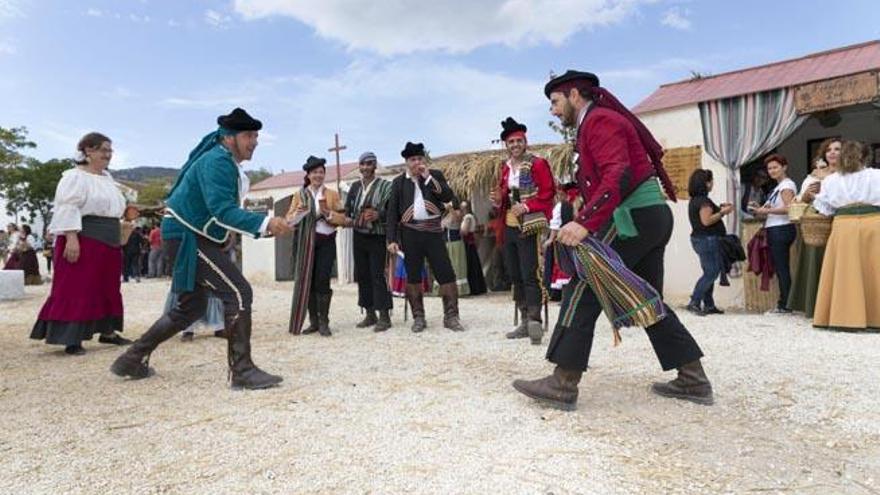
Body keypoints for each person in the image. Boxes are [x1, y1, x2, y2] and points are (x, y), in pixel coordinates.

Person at [513, 70, 713, 409]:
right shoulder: (596, 123)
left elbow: (617, 173)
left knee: (584, 283)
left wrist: (585, 224)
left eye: (555, 102)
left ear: (575, 95)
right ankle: (693, 379)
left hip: (633, 216)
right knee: (647, 299)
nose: (553, 110)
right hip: (647, 215)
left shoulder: (600, 121)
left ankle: (563, 382)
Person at [110, 108, 291, 389]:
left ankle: (132, 358)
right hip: (187, 236)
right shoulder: (218, 161)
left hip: (186, 234)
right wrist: (267, 222)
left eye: (256, 135)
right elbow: (221, 210)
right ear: (229, 138)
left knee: (190, 307)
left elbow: (215, 211)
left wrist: (227, 234)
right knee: (238, 292)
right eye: (248, 135)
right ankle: (242, 371)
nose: (254, 141)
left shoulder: (221, 159)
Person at [30, 132, 130, 355]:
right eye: (104, 150)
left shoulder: (108, 179)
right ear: (88, 151)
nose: (108, 154)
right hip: (84, 237)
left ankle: (108, 331)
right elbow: (68, 207)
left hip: (109, 239)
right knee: (78, 285)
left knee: (108, 285)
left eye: (110, 150)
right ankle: (71, 337)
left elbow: (113, 209)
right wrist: (71, 238)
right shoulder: (74, 177)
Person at [386, 141, 465, 333]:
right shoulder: (398, 183)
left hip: (433, 232)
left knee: (445, 272)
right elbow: (391, 214)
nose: (416, 163)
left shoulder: (434, 176)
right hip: (410, 234)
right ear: (407, 162)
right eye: (413, 159)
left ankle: (451, 316)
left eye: (420, 159)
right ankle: (418, 317)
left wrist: (427, 177)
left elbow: (447, 197)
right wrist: (392, 239)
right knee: (413, 275)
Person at [490, 117, 555, 345]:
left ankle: (534, 320)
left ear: (525, 142)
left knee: (530, 273)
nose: (515, 145)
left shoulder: (537, 164)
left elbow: (548, 193)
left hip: (529, 225)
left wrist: (527, 206)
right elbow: (503, 196)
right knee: (515, 274)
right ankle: (524, 319)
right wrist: (498, 201)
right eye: (511, 142)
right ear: (506, 145)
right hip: (509, 225)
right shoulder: (504, 168)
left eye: (519, 141)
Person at [812, 141, 880, 331]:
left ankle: (844, 317)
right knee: (875, 270)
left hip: (844, 227)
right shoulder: (876, 175)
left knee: (845, 272)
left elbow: (824, 208)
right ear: (864, 156)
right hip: (874, 223)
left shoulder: (831, 181)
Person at [286, 156, 346, 336]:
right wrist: (297, 214)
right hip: (306, 242)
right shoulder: (300, 195)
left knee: (322, 278)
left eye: (321, 172)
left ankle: (324, 321)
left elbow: (343, 218)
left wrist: (329, 215)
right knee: (308, 280)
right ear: (308, 175)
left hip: (326, 240)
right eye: (315, 172)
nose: (318, 175)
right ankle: (313, 321)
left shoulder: (332, 194)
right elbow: (289, 219)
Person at [342, 151, 394, 332]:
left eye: (369, 164)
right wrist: (346, 218)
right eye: (362, 164)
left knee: (377, 275)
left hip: (377, 236)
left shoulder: (386, 186)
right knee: (363, 275)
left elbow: (393, 211)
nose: (365, 168)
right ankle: (370, 313)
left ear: (375, 166)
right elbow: (347, 210)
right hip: (359, 235)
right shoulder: (355, 187)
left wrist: (379, 214)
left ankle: (385, 316)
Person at [787, 138, 839, 317]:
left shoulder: (849, 174)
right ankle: (814, 305)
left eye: (837, 149)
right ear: (824, 154)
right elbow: (801, 199)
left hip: (838, 222)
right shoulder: (815, 175)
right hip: (815, 224)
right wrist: (808, 195)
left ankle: (836, 306)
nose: (832, 152)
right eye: (829, 150)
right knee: (814, 263)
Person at [752, 154, 797, 314]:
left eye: (775, 167)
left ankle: (785, 304)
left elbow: (789, 208)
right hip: (777, 228)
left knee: (781, 267)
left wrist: (767, 210)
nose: (772, 171)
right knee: (781, 267)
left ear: (784, 167)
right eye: (770, 168)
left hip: (781, 228)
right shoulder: (779, 186)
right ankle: (785, 302)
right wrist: (760, 210)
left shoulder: (786, 185)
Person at [686, 169, 733, 316]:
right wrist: (723, 212)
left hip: (701, 239)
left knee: (709, 271)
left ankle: (709, 304)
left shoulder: (696, 200)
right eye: (711, 181)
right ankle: (694, 301)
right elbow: (706, 221)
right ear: (706, 183)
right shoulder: (704, 202)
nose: (712, 184)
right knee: (711, 272)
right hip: (707, 240)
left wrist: (719, 208)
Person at [439, 202, 470, 296]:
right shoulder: (445, 215)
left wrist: (451, 209)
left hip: (455, 243)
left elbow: (457, 219)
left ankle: (459, 290)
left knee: (457, 266)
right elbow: (441, 227)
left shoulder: (457, 212)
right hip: (446, 243)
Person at [459, 201, 487, 296]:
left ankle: (474, 288)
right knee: (474, 265)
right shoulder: (471, 216)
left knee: (471, 266)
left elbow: (465, 231)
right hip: (470, 244)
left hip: (468, 244)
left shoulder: (468, 217)